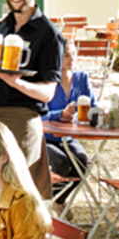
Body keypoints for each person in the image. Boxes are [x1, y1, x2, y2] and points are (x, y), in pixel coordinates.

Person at [0, 0, 64, 198]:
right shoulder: (1, 28)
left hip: (21, 122)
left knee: (17, 196)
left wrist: (14, 82)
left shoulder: (49, 34)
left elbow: (48, 92)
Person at [42, 40, 90, 216]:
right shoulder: (47, 82)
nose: (72, 59)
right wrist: (59, 114)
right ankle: (49, 203)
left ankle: (58, 200)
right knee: (61, 163)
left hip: (69, 137)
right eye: (66, 55)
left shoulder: (81, 79)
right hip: (47, 137)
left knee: (81, 161)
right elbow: (38, 116)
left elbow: (93, 106)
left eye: (74, 54)